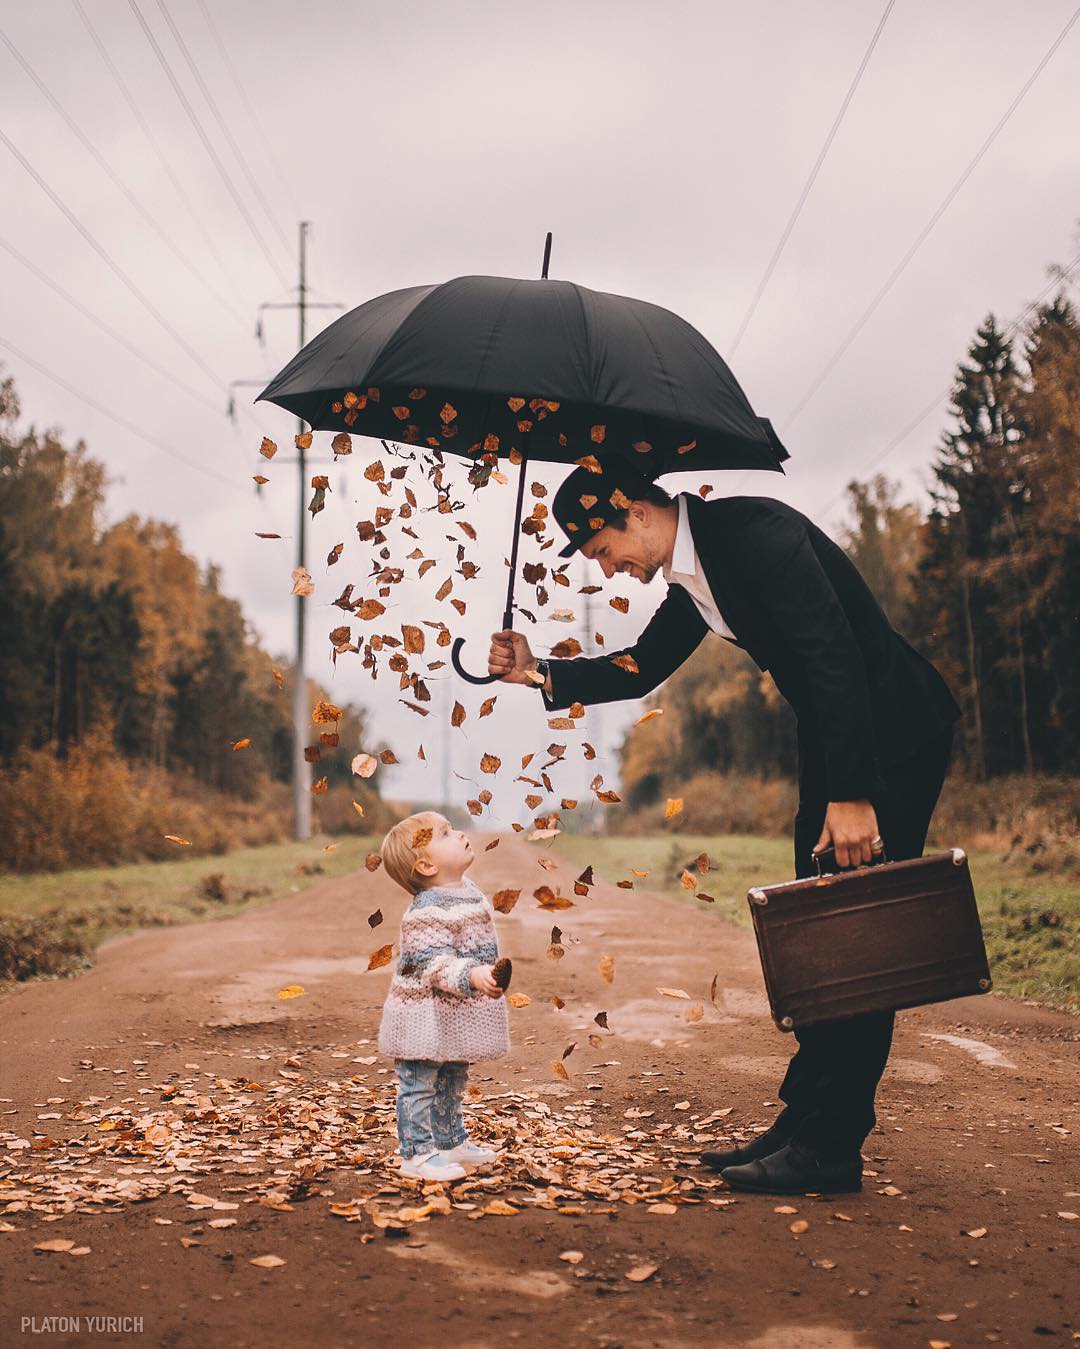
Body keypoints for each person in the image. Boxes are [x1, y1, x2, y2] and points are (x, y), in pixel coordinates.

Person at [487, 456, 960, 1195]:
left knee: (857, 938)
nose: (610, 570)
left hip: (889, 738)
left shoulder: (755, 535)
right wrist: (538, 670)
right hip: (838, 743)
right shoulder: (693, 577)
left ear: (636, 513)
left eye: (606, 552)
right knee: (817, 930)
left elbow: (833, 656)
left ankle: (831, 1147)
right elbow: (641, 666)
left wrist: (853, 793)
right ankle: (804, 1120)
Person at [378, 811, 510, 1182]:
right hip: (420, 1015)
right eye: (446, 833)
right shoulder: (426, 910)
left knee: (453, 1076)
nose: (459, 833)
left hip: (450, 1012)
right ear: (426, 864)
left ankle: (450, 1140)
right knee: (420, 1084)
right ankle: (417, 1154)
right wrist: (472, 975)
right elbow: (431, 963)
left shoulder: (464, 891)